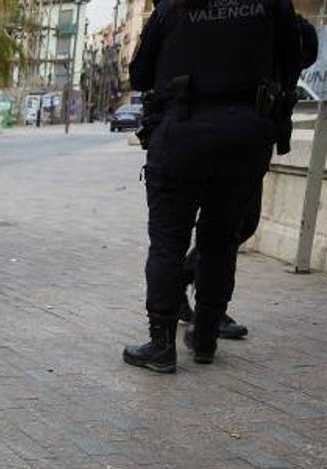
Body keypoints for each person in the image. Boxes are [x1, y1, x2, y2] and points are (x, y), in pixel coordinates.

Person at [123, 0, 302, 372]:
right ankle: (204, 339)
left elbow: (139, 75)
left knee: (168, 242)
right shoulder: (271, 6)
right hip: (245, 137)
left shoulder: (173, 8)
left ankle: (161, 345)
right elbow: (293, 62)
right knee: (221, 239)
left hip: (181, 135)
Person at [176, 14, 320, 342]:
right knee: (227, 226)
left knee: (235, 224)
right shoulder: (257, 25)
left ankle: (187, 291)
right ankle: (205, 313)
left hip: (231, 136)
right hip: (232, 137)